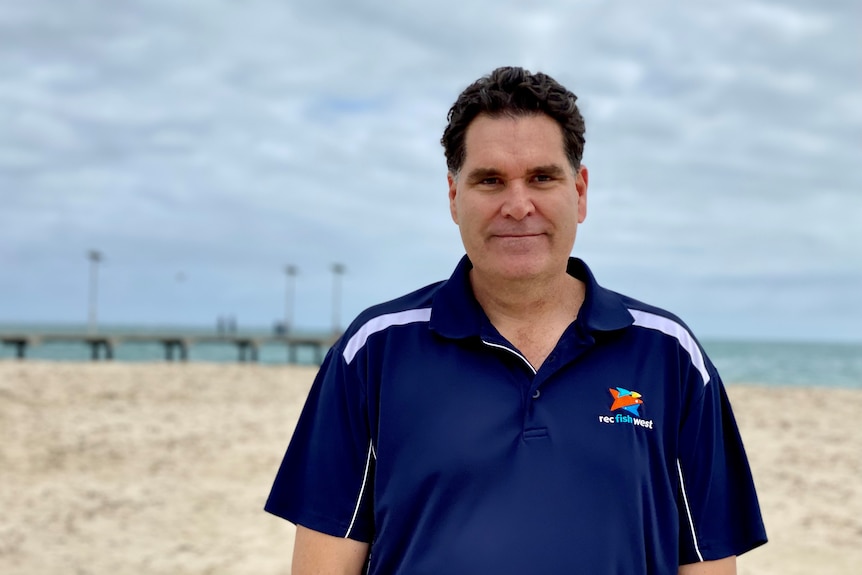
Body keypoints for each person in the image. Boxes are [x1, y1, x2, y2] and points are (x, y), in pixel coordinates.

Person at [265, 66, 767, 574]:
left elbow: (706, 559)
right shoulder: (373, 352)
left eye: (542, 178)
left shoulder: (669, 355)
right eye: (490, 180)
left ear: (581, 192)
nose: (518, 205)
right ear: (454, 197)